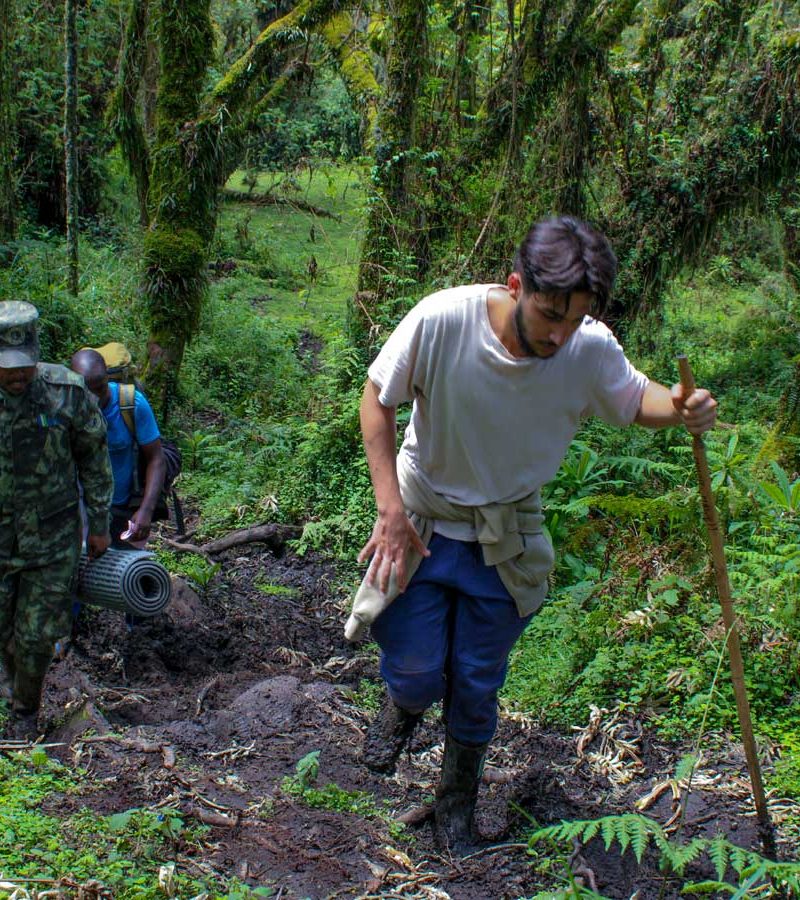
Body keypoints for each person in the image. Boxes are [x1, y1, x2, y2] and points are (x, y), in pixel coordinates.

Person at [353, 216, 718, 851]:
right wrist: (388, 507)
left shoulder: (588, 347)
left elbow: (637, 400)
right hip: (423, 519)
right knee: (414, 667)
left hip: (508, 534)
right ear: (516, 284)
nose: (558, 334)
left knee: (476, 678)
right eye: (549, 313)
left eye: (573, 320)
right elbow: (376, 399)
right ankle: (402, 709)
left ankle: (456, 805)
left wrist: (682, 407)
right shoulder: (444, 320)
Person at [0, 301, 112, 740]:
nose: (15, 376)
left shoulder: (66, 393)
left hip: (53, 539)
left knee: (37, 635)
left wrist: (100, 523)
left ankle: (24, 715)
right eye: (6, 368)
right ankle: (11, 687)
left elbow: (95, 461)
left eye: (23, 367)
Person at [70, 349, 165, 549]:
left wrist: (146, 511)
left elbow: (156, 458)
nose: (95, 398)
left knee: (129, 572)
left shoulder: (131, 404)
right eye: (89, 391)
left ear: (107, 378)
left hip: (123, 508)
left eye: (101, 388)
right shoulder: (64, 408)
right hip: (80, 509)